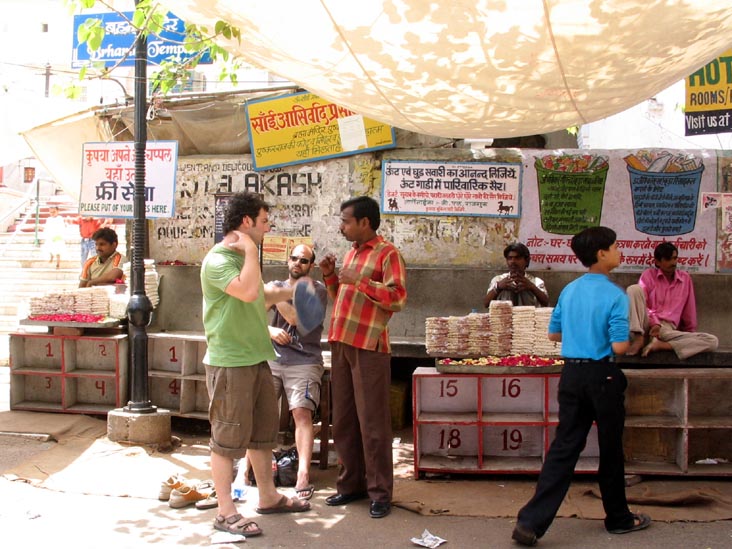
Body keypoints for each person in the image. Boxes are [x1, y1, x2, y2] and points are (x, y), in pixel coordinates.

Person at [512, 226, 651, 547]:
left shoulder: (570, 291)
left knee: (564, 448)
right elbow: (618, 347)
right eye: (615, 247)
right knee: (611, 449)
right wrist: (635, 339)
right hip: (603, 376)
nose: (619, 251)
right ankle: (618, 518)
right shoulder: (616, 294)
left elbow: (554, 335)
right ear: (601, 254)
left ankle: (530, 522)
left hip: (571, 375)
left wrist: (581, 331)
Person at [200, 191, 310, 538]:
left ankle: (268, 496)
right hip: (230, 363)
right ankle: (225, 512)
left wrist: (294, 291)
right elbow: (248, 293)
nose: (268, 226)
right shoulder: (219, 260)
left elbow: (259, 295)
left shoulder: (241, 262)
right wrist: (249, 249)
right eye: (263, 220)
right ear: (246, 222)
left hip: (257, 357)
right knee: (226, 439)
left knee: (261, 436)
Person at [319, 196, 407, 519]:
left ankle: (380, 492)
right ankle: (350, 485)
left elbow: (397, 298)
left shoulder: (388, 254)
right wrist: (331, 276)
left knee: (373, 422)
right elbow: (341, 297)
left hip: (369, 345)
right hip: (341, 341)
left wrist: (360, 280)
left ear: (365, 222)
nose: (341, 226)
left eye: (346, 221)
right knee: (343, 420)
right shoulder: (352, 252)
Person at [266, 243, 328, 501]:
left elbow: (295, 319)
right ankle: (248, 470)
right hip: (272, 358)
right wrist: (268, 331)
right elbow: (252, 315)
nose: (297, 264)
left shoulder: (318, 290)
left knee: (302, 413)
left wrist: (275, 295)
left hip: (304, 360)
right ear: (287, 260)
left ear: (310, 266)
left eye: (303, 261)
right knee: (261, 413)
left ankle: (302, 474)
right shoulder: (275, 286)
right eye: (293, 259)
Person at [626, 241, 718, 359]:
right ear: (658, 262)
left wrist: (688, 336)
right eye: (668, 259)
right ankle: (638, 338)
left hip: (667, 331)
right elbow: (642, 305)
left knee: (712, 341)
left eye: (675, 258)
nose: (673, 262)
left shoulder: (685, 279)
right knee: (633, 289)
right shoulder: (648, 275)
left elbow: (689, 312)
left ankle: (660, 345)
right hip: (646, 326)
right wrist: (655, 323)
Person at [483, 242, 548, 307]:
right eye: (510, 258)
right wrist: (498, 287)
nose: (513, 261)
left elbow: (546, 303)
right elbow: (486, 304)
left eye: (517, 258)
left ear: (527, 261)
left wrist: (531, 287)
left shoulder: (536, 282)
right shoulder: (498, 280)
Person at [42, 205, 66, 270]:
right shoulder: (49, 219)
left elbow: (62, 227)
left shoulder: (60, 218)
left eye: (54, 212)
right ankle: (51, 256)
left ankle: (58, 264)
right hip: (51, 235)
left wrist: (59, 236)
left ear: (58, 211)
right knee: (49, 247)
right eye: (51, 212)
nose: (52, 213)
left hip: (58, 236)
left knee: (58, 250)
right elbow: (46, 227)